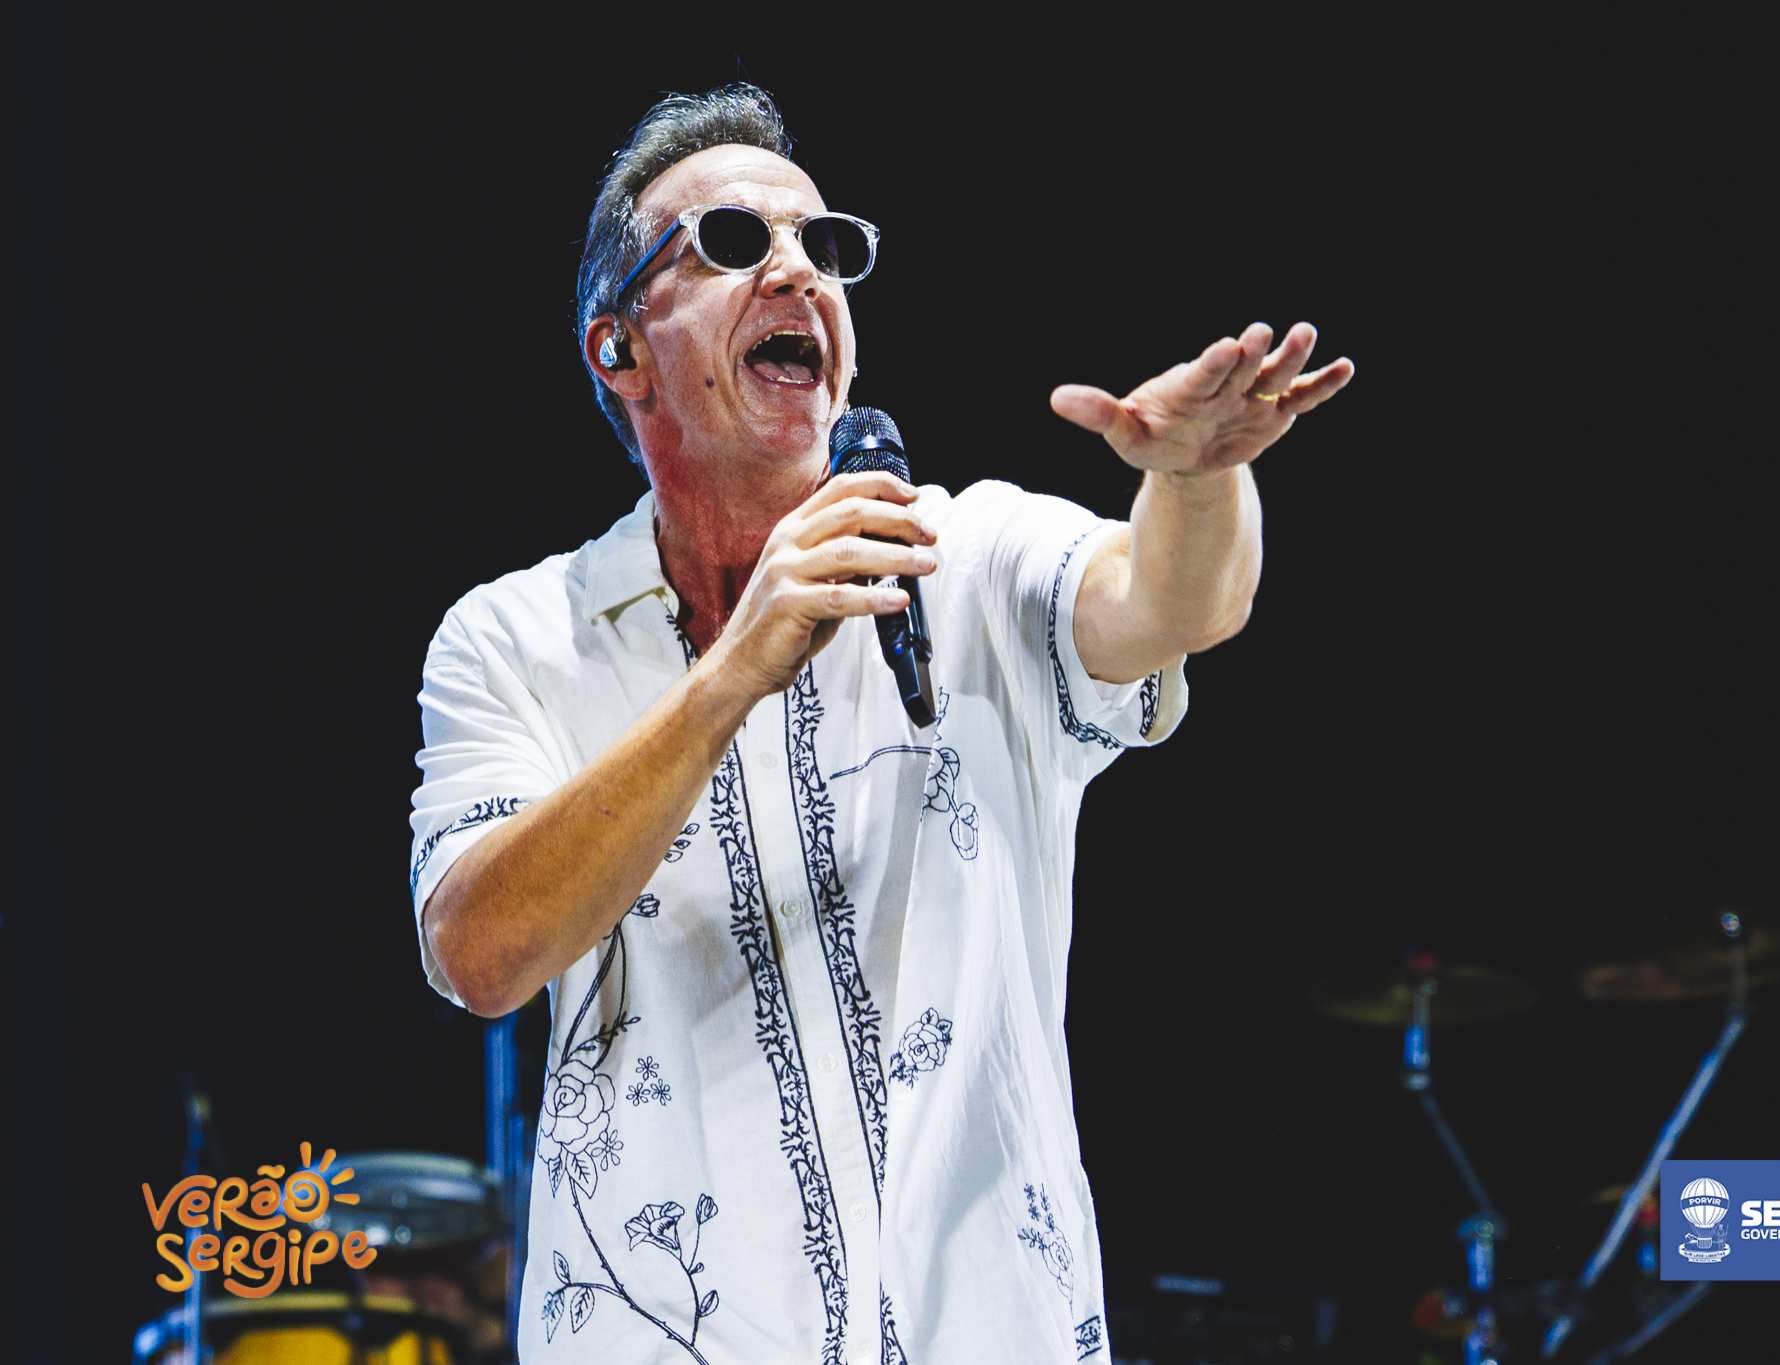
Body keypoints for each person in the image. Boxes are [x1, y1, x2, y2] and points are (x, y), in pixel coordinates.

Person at [408, 84, 1351, 1363]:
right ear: (617, 348)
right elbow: (480, 953)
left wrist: (1196, 479)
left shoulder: (962, 557)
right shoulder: (516, 639)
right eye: (733, 242)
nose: (798, 271)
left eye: (824, 245)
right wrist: (727, 677)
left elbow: (1177, 602)